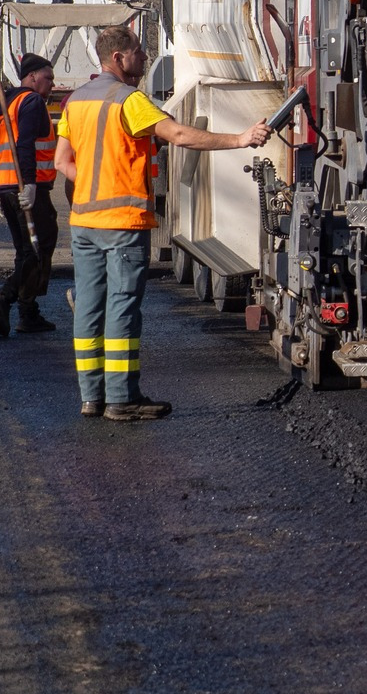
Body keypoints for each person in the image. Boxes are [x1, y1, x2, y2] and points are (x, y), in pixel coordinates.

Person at [54, 25, 271, 423]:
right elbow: (180, 135)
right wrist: (239, 139)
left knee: (88, 307)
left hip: (83, 221)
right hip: (122, 223)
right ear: (118, 58)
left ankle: (92, 397)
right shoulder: (129, 100)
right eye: (138, 51)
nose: (143, 57)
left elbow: (62, 162)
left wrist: (91, 183)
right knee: (122, 308)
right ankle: (121, 399)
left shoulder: (76, 101)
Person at [0, 54, 59, 337]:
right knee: (39, 249)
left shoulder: (9, 104)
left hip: (8, 186)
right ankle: (5, 299)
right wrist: (28, 184)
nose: (52, 84)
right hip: (28, 188)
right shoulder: (30, 102)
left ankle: (27, 313)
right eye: (48, 78)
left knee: (27, 251)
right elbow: (24, 144)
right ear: (31, 78)